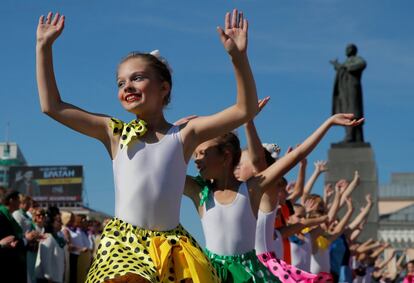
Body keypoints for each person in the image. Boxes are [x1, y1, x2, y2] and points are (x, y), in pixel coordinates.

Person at [36, 8, 259, 282]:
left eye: (137, 78)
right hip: (125, 244)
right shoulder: (114, 132)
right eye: (121, 82)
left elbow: (244, 109)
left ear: (164, 88)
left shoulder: (184, 135)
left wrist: (238, 58)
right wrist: (43, 48)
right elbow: (52, 107)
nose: (127, 86)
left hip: (172, 246)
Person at [187, 113, 363, 282]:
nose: (196, 160)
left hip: (250, 272)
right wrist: (175, 135)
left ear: (226, 156)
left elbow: (295, 155)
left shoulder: (253, 190)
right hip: (210, 272)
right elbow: (164, 173)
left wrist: (329, 123)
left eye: (203, 153)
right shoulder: (200, 191)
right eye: (195, 154)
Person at [330, 43, 367, 143]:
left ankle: (353, 136)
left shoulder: (356, 59)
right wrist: (338, 66)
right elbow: (342, 69)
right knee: (347, 111)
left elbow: (362, 64)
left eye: (348, 48)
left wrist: (346, 66)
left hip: (352, 89)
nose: (346, 50)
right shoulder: (346, 62)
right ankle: (350, 135)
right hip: (344, 91)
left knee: (354, 112)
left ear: (353, 50)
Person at [0, 190, 38, 283]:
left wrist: (24, 236)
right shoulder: (2, 215)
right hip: (8, 267)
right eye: (18, 200)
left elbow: (14, 236)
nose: (20, 203)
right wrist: (26, 239)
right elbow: (10, 242)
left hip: (16, 265)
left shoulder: (9, 215)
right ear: (11, 200)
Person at [35, 207, 69, 283]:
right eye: (59, 221)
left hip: (56, 278)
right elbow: (45, 259)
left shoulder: (57, 238)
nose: (62, 223)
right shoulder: (47, 238)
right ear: (51, 222)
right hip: (49, 280)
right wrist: (48, 277)